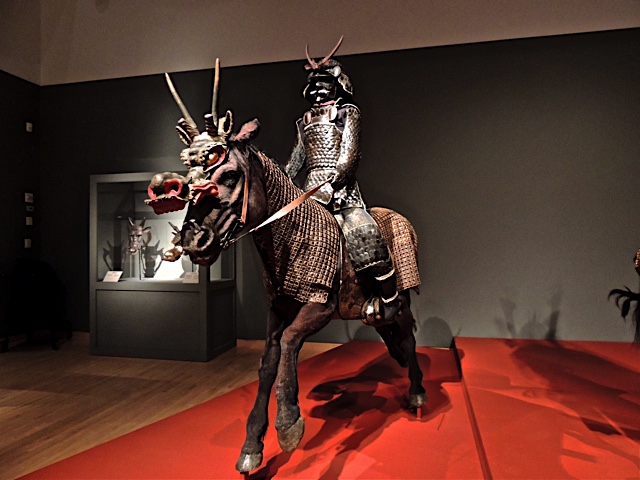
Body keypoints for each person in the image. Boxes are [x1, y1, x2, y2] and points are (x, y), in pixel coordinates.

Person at [284, 39, 401, 324]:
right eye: (312, 86)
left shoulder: (348, 113)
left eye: (323, 85)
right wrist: (284, 180)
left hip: (342, 190)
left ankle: (390, 298)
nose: (316, 91)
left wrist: (338, 176)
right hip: (311, 189)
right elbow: (297, 157)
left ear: (338, 85)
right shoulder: (304, 121)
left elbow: (349, 152)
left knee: (364, 233)